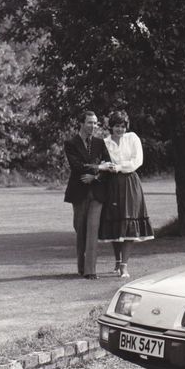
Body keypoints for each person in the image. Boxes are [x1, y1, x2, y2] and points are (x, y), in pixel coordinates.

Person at [99, 110, 154, 278]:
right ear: (111, 127)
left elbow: (138, 161)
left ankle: (124, 266)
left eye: (123, 126)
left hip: (130, 182)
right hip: (112, 184)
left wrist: (120, 166)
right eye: (117, 126)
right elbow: (101, 161)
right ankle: (117, 262)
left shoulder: (132, 138)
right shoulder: (105, 142)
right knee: (115, 223)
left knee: (129, 222)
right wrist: (107, 166)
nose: (120, 129)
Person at [63, 111, 113, 280]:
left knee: (92, 230)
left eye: (95, 123)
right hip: (79, 192)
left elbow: (108, 164)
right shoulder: (70, 143)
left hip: (97, 192)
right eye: (90, 123)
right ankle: (81, 266)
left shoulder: (100, 143)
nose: (93, 126)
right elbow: (76, 166)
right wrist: (98, 166)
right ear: (81, 123)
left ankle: (90, 271)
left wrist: (96, 175)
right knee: (80, 229)